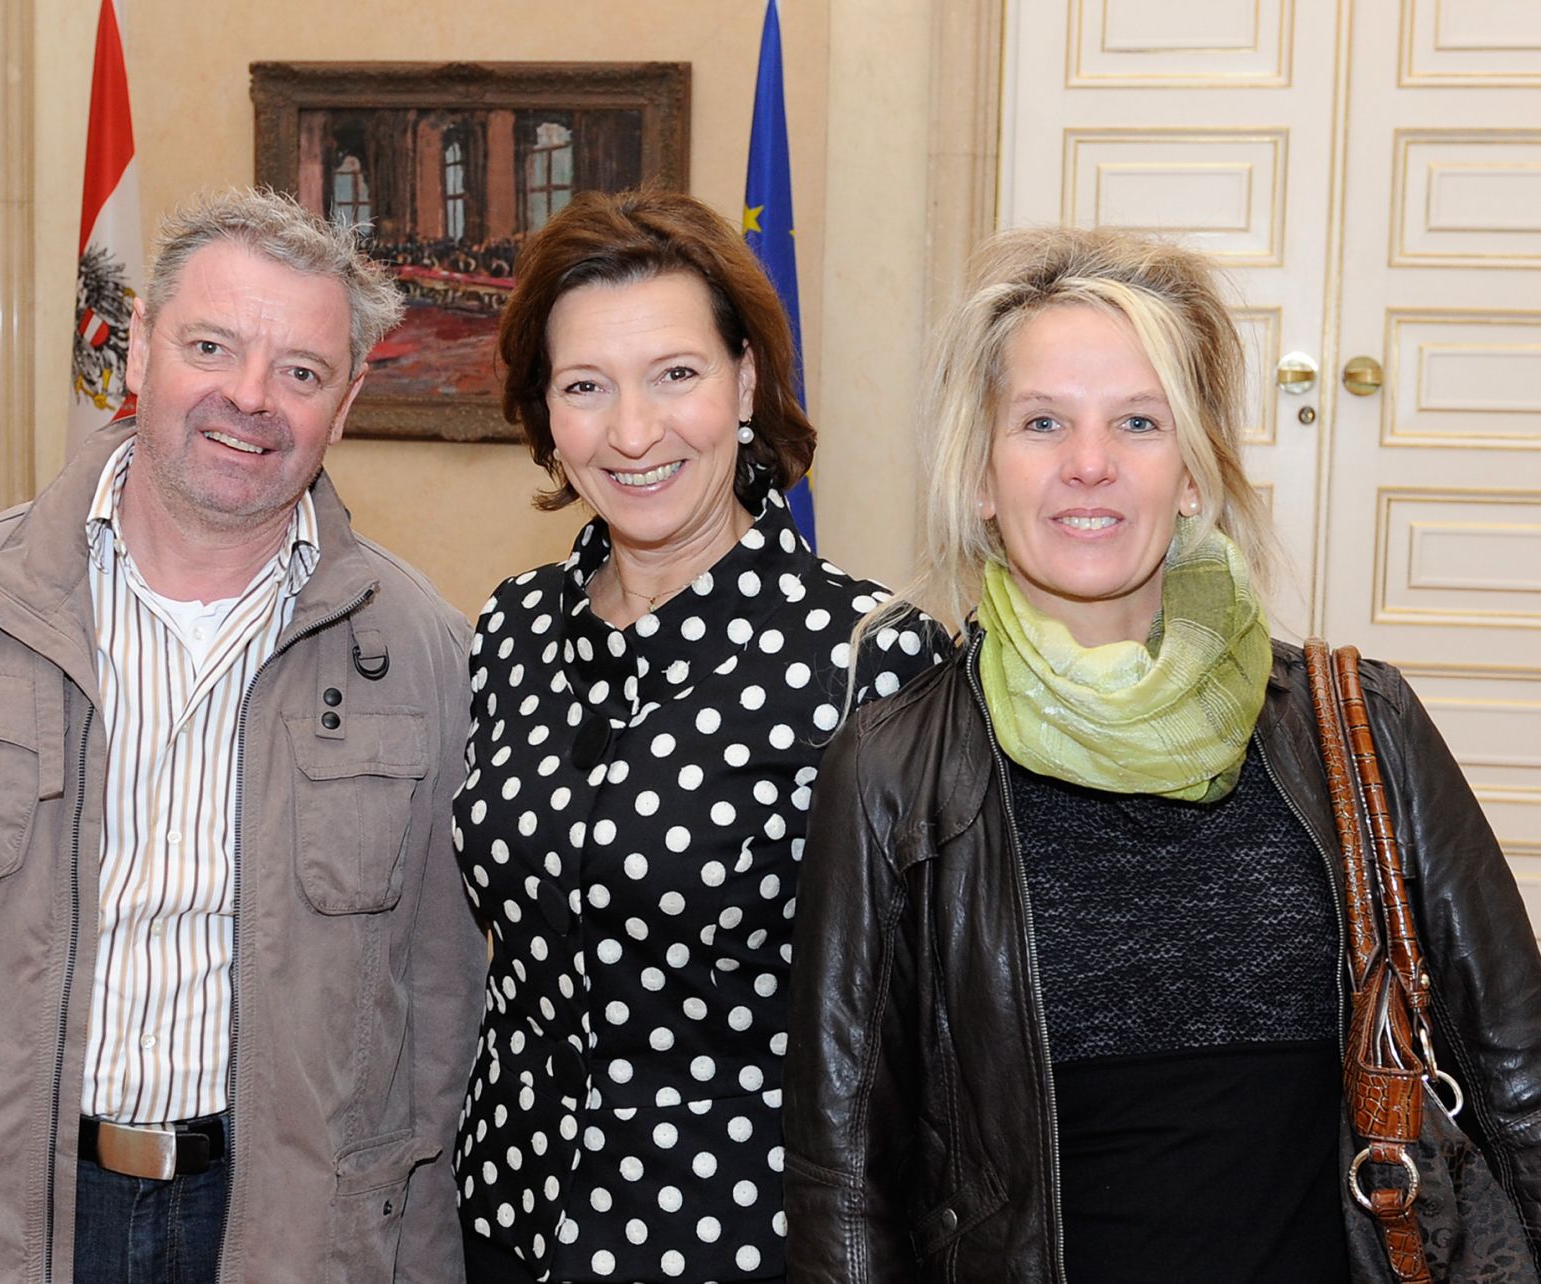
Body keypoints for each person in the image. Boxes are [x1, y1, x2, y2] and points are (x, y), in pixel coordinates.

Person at [782, 226, 1541, 1281]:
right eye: (1041, 421)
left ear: (1190, 473)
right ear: (979, 477)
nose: (1087, 464)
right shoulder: (891, 770)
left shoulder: (1356, 724)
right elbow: (844, 1177)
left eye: (1137, 422)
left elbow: (1514, 1078)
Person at [0, 188, 485, 1283]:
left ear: (343, 405)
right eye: (211, 345)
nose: (248, 399)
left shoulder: (424, 652)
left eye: (300, 371)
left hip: (289, 1236)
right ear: (143, 348)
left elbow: (442, 1019)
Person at [449, 189, 948, 1282]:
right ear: (545, 410)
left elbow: (931, 1031)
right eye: (586, 387)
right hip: (503, 1218)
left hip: (739, 1240)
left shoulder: (872, 658)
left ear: (745, 384)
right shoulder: (511, 628)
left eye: (675, 374)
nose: (632, 433)